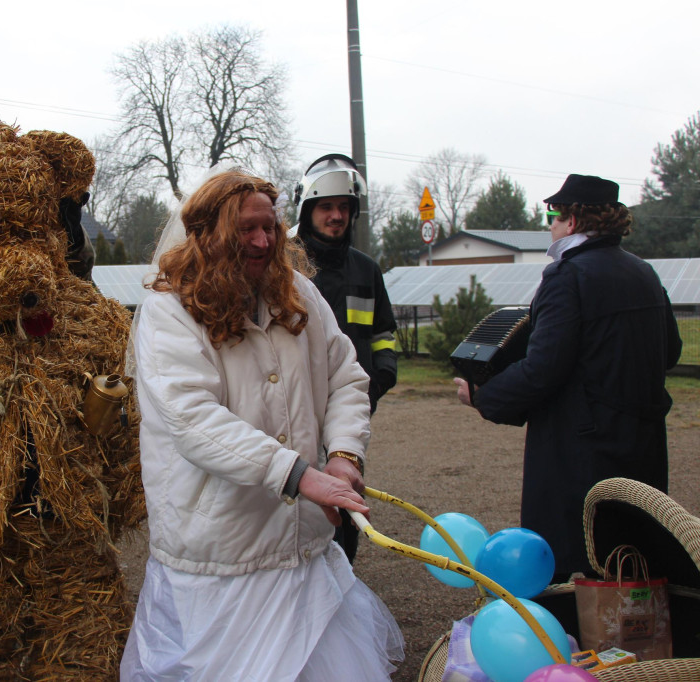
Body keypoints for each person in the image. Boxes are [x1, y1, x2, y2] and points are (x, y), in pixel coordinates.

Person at [121, 169, 404, 681]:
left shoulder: (296, 294)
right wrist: (300, 474)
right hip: (222, 556)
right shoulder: (170, 312)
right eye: (246, 229)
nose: (263, 240)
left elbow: (345, 375)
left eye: (270, 227)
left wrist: (343, 454)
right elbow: (193, 421)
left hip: (300, 549)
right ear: (206, 233)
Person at [454, 174, 682, 581]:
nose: (550, 226)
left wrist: (484, 395)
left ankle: (578, 641)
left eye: (554, 216)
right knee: (635, 557)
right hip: (643, 449)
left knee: (578, 563)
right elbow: (671, 351)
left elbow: (543, 369)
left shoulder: (567, 275)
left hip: (582, 454)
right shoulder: (645, 272)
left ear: (574, 221)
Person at [292, 153, 398, 565]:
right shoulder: (286, 263)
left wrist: (383, 372)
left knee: (344, 501)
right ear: (308, 210)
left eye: (343, 208)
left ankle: (341, 583)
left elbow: (383, 331)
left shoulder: (366, 270)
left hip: (348, 407)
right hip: (296, 405)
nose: (336, 216)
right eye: (326, 207)